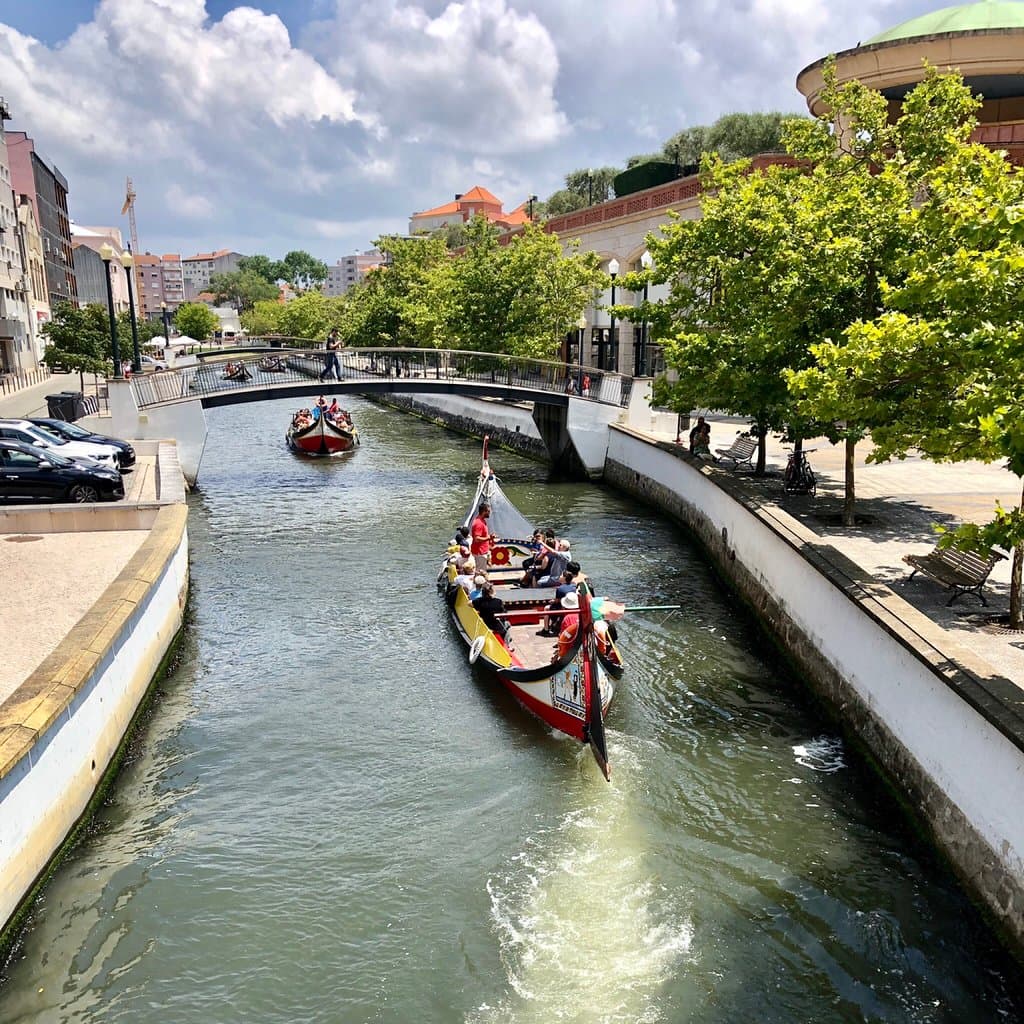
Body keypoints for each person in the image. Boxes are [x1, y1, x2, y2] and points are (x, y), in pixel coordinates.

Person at [473, 582, 513, 649]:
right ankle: (507, 645)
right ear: (492, 592)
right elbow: (504, 613)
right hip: (496, 627)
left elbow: (469, 603)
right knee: (507, 624)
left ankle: (506, 641)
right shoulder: (498, 601)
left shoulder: (478, 601)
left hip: (485, 625)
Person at [553, 591, 580, 661]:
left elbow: (563, 637)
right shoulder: (583, 615)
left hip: (570, 649)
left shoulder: (567, 618)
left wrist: (560, 653)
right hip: (581, 646)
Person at [470, 502, 496, 571]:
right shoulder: (478, 523)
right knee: (480, 572)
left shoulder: (482, 521)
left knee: (483, 570)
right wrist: (489, 538)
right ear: (484, 511)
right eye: (488, 511)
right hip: (479, 553)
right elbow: (477, 539)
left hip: (483, 551)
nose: (489, 513)